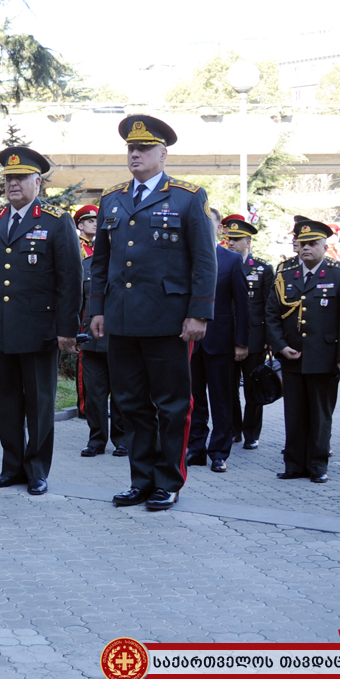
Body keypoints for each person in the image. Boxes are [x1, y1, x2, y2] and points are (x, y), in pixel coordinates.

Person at [87, 115, 218, 511]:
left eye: (143, 149)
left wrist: (199, 314)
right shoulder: (112, 199)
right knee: (131, 404)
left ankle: (169, 482)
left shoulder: (187, 196)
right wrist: (97, 309)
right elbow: (100, 263)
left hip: (168, 321)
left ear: (163, 154)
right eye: (131, 148)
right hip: (123, 320)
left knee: (173, 404)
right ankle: (141, 480)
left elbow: (204, 261)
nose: (135, 154)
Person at [0, 146, 80, 496]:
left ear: (38, 181)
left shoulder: (56, 221)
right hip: (0, 327)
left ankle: (37, 470)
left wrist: (66, 329)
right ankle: (11, 466)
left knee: (39, 403)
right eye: (8, 178)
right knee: (7, 402)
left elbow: (70, 280)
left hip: (38, 330)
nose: (13, 184)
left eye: (20, 178)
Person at [265, 218, 340, 484]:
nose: (306, 248)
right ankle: (294, 464)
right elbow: (272, 315)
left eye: (313, 243)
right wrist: (281, 346)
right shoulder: (285, 276)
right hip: (292, 356)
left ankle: (317, 465)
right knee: (294, 414)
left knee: (320, 415)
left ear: (324, 246)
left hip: (324, 357)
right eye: (303, 243)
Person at [186, 237, 250, 473]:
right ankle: (196, 448)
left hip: (220, 340)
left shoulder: (231, 259)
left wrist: (241, 342)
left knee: (221, 399)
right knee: (195, 398)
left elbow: (242, 304)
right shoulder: (184, 254)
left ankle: (219, 452)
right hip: (190, 340)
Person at [77, 220, 130, 458]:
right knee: (94, 396)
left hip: (120, 340)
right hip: (91, 341)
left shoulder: (127, 268)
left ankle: (122, 440)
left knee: (121, 394)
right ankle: (96, 440)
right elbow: (77, 303)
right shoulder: (85, 266)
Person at [225, 215, 271, 450]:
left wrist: (268, 340)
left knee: (253, 388)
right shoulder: (221, 263)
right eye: (229, 238)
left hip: (254, 338)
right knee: (229, 388)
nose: (231, 243)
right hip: (227, 337)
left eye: (236, 239)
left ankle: (252, 432)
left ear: (248, 241)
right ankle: (234, 430)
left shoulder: (262, 269)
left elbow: (268, 307)